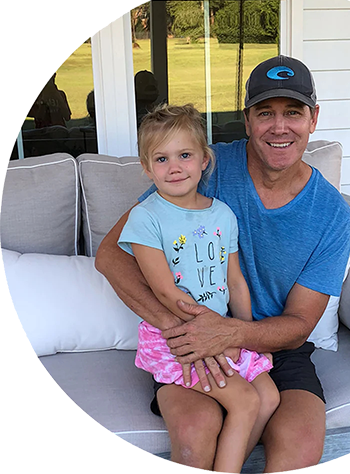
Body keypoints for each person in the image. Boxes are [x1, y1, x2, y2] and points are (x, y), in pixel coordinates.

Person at [96, 55, 350, 471]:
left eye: (293, 112)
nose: (279, 127)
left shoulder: (331, 214)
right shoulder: (202, 167)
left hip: (274, 345)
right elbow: (110, 255)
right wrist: (182, 329)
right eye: (265, 113)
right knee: (195, 431)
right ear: (247, 120)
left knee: (301, 448)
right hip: (187, 333)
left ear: (313, 119)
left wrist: (232, 334)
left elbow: (301, 323)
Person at [116, 104, 279, 473]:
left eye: (185, 155)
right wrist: (211, 335)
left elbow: (235, 281)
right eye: (161, 159)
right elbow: (163, 291)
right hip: (177, 335)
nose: (174, 167)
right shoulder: (146, 217)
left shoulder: (222, 214)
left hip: (220, 330)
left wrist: (243, 334)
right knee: (245, 402)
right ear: (146, 168)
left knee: (268, 397)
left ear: (204, 160)